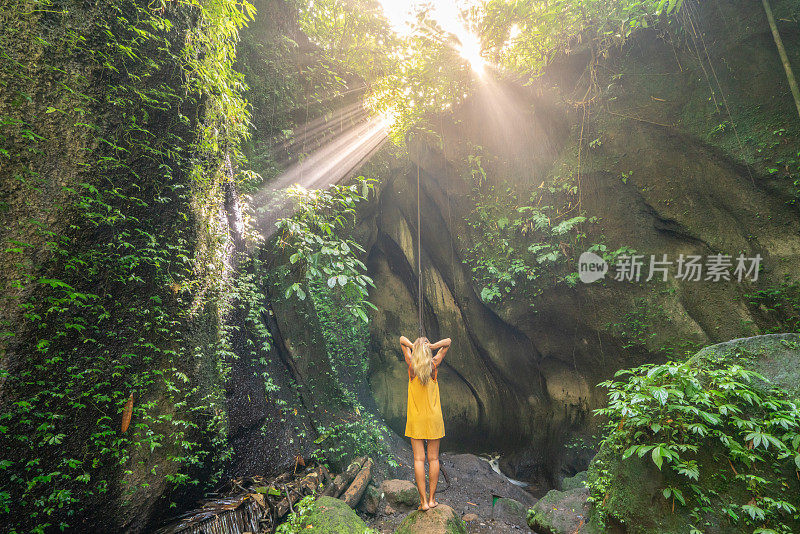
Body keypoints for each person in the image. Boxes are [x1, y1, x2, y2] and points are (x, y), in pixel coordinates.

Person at [399, 334, 451, 511]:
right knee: (434, 458)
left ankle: (423, 503)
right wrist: (433, 345)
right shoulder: (434, 365)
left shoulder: (412, 366)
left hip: (416, 418)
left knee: (419, 460)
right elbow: (448, 342)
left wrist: (415, 346)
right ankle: (432, 500)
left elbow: (401, 339)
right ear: (428, 351)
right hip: (434, 417)